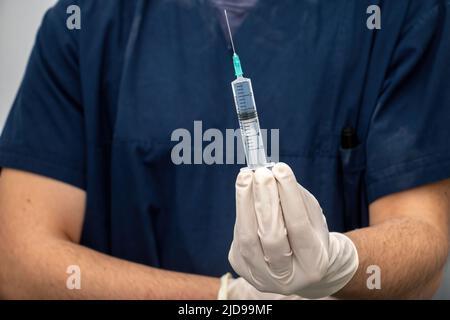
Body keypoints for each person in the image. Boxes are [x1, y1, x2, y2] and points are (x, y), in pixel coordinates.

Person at [0, 0, 449, 299]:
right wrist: (228, 301)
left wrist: (339, 262)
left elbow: (424, 243)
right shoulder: (86, 25)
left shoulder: (395, 14)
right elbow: (18, 264)